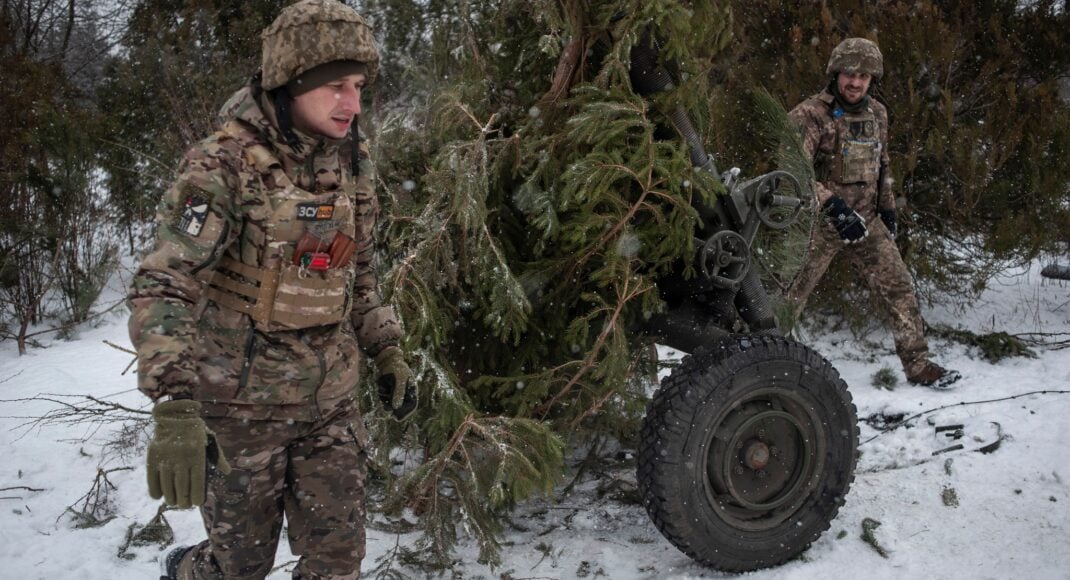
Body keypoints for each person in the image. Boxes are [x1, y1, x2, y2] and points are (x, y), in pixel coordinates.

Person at [127, 1, 418, 578]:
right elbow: (165, 280)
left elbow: (356, 271)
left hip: (329, 405)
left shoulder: (353, 161)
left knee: (338, 563)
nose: (353, 104)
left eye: (358, 85)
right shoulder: (221, 167)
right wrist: (175, 402)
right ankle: (189, 569)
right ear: (291, 82)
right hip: (240, 413)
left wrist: (385, 347)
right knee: (240, 567)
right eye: (336, 86)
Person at [784, 37, 960, 389]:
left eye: (864, 76)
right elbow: (791, 172)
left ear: (872, 79)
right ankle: (759, 367)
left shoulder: (877, 112)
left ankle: (918, 364)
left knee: (899, 287)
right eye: (849, 73)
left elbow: (882, 164)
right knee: (786, 297)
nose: (855, 82)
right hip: (819, 224)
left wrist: (888, 207)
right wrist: (831, 205)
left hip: (867, 222)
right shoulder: (809, 115)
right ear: (836, 73)